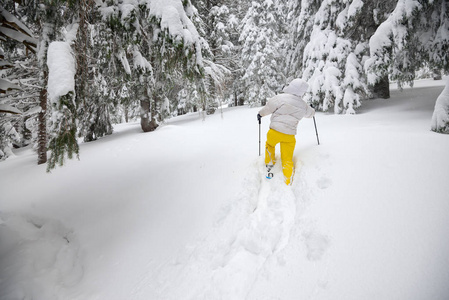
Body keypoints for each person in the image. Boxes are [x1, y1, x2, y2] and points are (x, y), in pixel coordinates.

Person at [257, 78, 315, 185]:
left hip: (275, 132)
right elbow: (310, 114)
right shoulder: (303, 105)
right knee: (287, 159)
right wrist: (312, 109)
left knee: (270, 145)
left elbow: (268, 108)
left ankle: (269, 164)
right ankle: (288, 180)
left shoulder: (280, 98)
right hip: (289, 136)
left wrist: (260, 114)